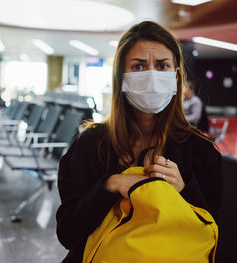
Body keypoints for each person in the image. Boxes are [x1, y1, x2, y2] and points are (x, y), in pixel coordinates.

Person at [56, 21, 223, 262]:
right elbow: (68, 234)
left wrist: (184, 191)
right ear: (121, 77)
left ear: (176, 76)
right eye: (138, 66)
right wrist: (110, 185)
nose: (152, 76)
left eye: (162, 66)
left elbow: (210, 229)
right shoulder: (90, 144)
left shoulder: (200, 150)